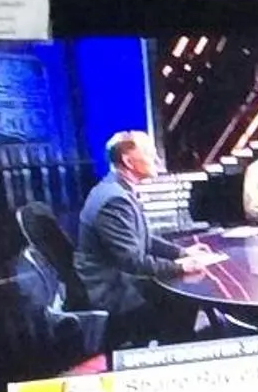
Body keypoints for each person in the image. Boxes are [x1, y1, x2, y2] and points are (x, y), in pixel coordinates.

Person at [73, 129, 218, 347]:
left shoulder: (117, 190)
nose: (157, 159)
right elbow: (132, 261)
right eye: (150, 153)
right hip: (113, 290)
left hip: (121, 279)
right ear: (128, 161)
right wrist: (180, 267)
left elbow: (144, 239)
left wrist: (182, 253)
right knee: (183, 297)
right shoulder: (114, 200)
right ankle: (173, 354)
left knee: (184, 291)